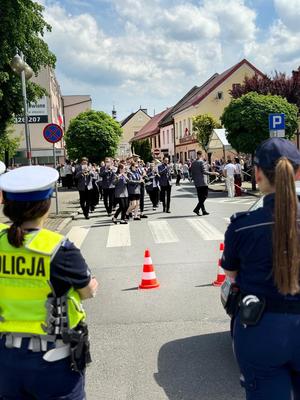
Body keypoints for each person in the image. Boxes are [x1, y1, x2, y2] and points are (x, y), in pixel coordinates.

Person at [0, 165, 98, 399]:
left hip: (6, 358)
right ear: (45, 206)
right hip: (53, 360)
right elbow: (87, 291)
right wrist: (92, 285)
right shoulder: (58, 249)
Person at [222, 138, 300, 400]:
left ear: (256, 174)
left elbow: (230, 274)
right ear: (297, 173)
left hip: (261, 328)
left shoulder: (242, 226)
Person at [191, 151, 218, 216]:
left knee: (200, 197)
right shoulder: (201, 162)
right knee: (205, 196)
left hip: (197, 182)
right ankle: (197, 209)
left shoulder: (193, 163)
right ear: (201, 155)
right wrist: (214, 173)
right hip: (202, 182)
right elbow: (204, 172)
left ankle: (203, 211)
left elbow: (192, 172)